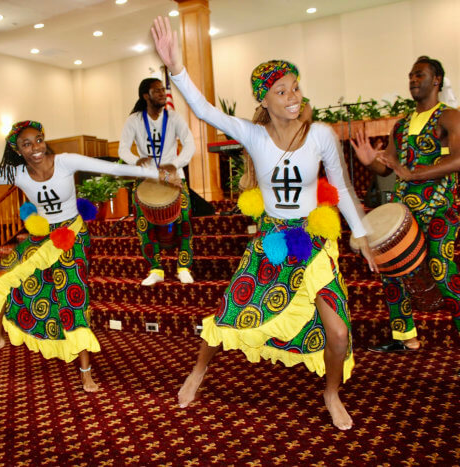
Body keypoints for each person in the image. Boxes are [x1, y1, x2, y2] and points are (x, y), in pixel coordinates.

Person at [151, 17, 377, 430]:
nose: (292, 96)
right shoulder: (253, 136)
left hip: (314, 241)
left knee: (339, 334)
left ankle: (330, 393)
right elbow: (203, 110)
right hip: (272, 240)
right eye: (281, 91)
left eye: (295, 87)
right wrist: (175, 66)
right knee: (228, 314)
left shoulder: (321, 134)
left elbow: (340, 186)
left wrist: (359, 234)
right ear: (265, 100)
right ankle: (199, 370)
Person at [0, 120, 178, 391]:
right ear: (18, 150)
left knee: (74, 299)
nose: (35, 147)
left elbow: (107, 168)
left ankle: (85, 372)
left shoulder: (66, 161)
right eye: (27, 144)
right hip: (41, 236)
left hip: (72, 237)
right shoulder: (17, 173)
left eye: (38, 140)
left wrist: (160, 175)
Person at [351, 57, 460, 376]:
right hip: (406, 209)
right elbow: (387, 166)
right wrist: (369, 160)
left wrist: (414, 174)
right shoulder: (400, 125)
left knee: (441, 270)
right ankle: (405, 337)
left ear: (436, 79)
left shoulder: (451, 117)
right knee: (392, 271)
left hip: (440, 208)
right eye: (411, 74)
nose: (413, 79)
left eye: (420, 74)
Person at [119, 77, 196, 286]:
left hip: (174, 177)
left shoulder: (174, 117)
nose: (163, 93)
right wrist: (137, 160)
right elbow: (122, 149)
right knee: (143, 225)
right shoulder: (134, 120)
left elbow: (189, 144)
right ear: (146, 95)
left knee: (185, 223)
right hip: (147, 178)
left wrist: (176, 163)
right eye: (157, 90)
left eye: (163, 90)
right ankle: (155, 269)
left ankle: (183, 268)